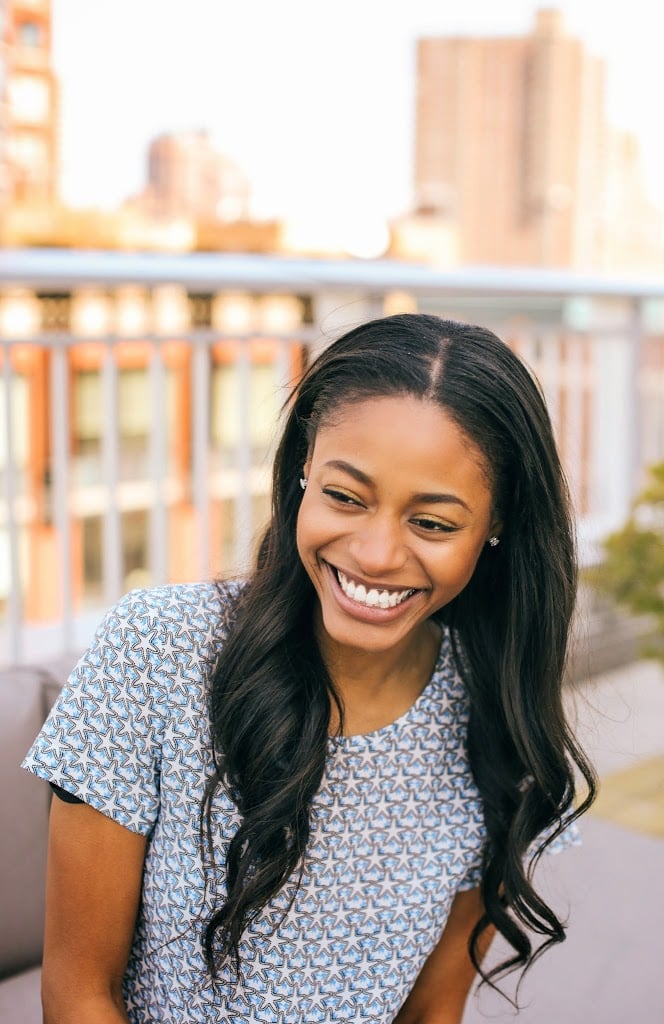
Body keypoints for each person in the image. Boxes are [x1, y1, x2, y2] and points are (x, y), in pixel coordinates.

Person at [24, 313, 596, 1024]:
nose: (376, 554)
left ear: (496, 526)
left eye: (433, 523)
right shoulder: (155, 650)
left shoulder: (496, 718)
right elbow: (78, 993)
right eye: (345, 497)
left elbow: (430, 1013)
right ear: (303, 472)